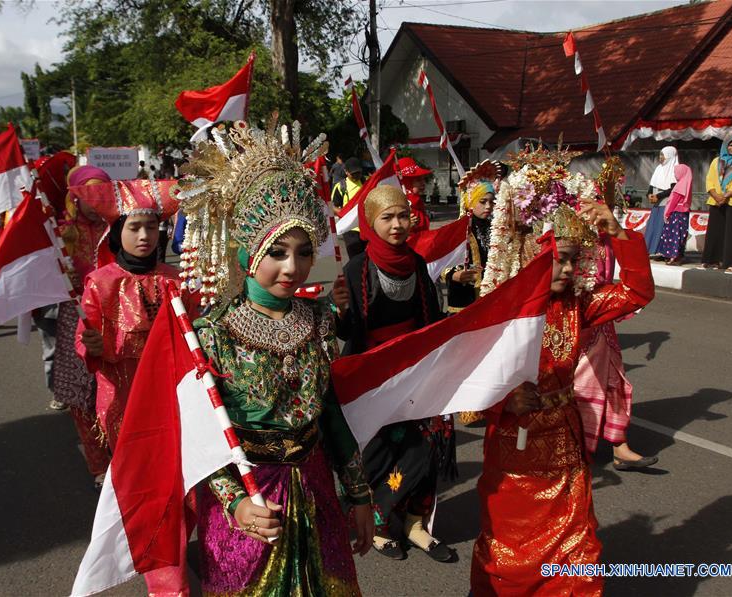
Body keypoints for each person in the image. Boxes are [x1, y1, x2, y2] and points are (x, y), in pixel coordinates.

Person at [176, 118, 374, 595]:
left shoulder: (318, 319)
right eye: (277, 252)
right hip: (252, 502)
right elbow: (200, 436)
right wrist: (234, 503)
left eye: (304, 252)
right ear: (246, 254)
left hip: (316, 487)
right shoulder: (211, 333)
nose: (293, 266)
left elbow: (328, 411)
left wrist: (359, 492)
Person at [472, 153, 655, 596]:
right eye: (559, 259)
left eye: (574, 260)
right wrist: (503, 400)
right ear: (532, 256)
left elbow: (637, 290)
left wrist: (616, 231)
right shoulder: (499, 312)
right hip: (514, 450)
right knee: (510, 555)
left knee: (577, 551)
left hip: (566, 449)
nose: (570, 269)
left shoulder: (579, 306)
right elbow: (464, 385)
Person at [336, 184, 458, 563]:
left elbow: (430, 319)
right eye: (387, 218)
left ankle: (415, 523)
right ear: (371, 223)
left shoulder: (416, 263)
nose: (397, 224)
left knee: (426, 445)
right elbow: (348, 332)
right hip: (374, 377)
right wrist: (340, 310)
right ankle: (381, 525)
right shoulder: (356, 268)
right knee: (381, 452)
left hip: (415, 373)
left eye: (403, 216)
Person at [74, 178, 183, 451]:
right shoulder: (101, 283)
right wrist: (92, 346)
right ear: (117, 233)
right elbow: (83, 337)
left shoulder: (175, 279)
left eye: (151, 227)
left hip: (169, 388)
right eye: (134, 228)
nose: (144, 236)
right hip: (122, 392)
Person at [575, 232, 658, 471]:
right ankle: (574, 448)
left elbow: (636, 289)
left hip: (602, 312)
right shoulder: (562, 223)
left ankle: (619, 445)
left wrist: (617, 231)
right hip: (578, 315)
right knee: (583, 383)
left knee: (614, 381)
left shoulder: (607, 234)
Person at [52, 165, 112, 486]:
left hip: (116, 316)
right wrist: (61, 276)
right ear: (75, 196)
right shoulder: (62, 233)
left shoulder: (120, 227)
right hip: (75, 317)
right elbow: (44, 279)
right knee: (83, 396)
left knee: (116, 387)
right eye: (88, 193)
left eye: (101, 192)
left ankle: (122, 454)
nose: (95, 200)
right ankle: (99, 464)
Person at [445, 162, 497, 313]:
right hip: (464, 298)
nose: (488, 206)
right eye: (483, 202)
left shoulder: (494, 226)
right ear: (471, 201)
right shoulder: (458, 229)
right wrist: (454, 275)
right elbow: (443, 263)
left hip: (490, 296)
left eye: (491, 202)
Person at [702, 134, 732, 273]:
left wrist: (726, 195)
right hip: (716, 201)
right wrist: (716, 195)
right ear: (726, 146)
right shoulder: (716, 161)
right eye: (731, 145)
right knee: (716, 232)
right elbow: (709, 180)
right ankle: (714, 259)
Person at [644, 146, 678, 258]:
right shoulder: (659, 168)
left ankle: (660, 251)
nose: (660, 157)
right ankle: (649, 249)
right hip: (656, 201)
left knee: (661, 225)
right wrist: (649, 195)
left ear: (669, 155)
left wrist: (658, 196)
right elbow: (652, 185)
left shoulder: (675, 169)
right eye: (660, 155)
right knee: (653, 225)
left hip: (666, 201)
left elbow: (673, 188)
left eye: (662, 155)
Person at [331, 157, 366, 259]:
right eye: (353, 173)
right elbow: (332, 206)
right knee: (355, 259)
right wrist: (344, 213)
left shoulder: (367, 182)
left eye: (358, 173)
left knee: (369, 258)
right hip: (351, 229)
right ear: (346, 172)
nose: (356, 176)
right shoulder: (341, 186)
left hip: (367, 226)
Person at [657, 163, 692, 265]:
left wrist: (667, 213)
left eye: (676, 172)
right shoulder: (686, 184)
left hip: (676, 214)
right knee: (681, 235)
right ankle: (679, 256)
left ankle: (673, 257)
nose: (675, 175)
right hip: (684, 214)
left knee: (673, 235)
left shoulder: (679, 186)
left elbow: (672, 202)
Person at [397, 156, 431, 237]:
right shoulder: (399, 203)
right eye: (418, 180)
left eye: (423, 179)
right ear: (407, 182)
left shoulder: (416, 201)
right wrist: (406, 227)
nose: (423, 183)